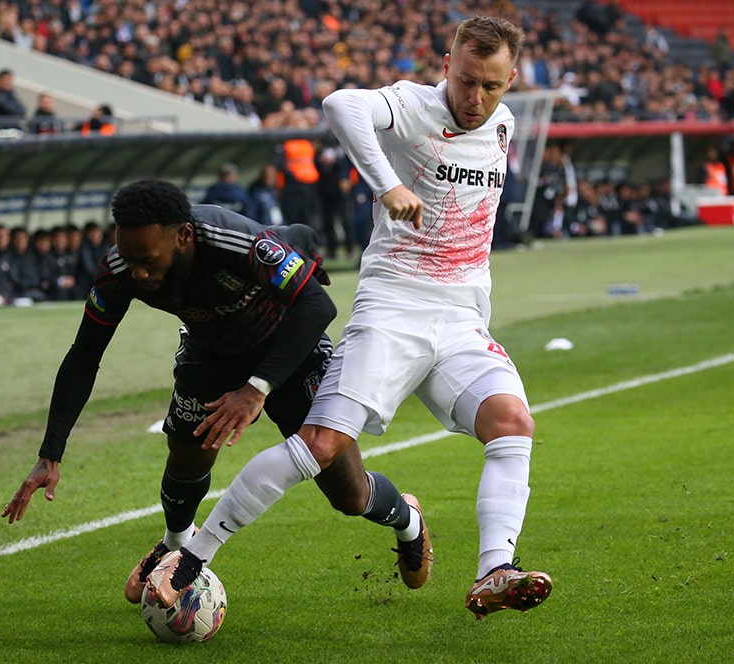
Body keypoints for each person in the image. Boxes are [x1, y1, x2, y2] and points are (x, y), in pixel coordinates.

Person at [147, 16, 552, 620]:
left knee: (513, 423)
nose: (475, 98)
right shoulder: (412, 105)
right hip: (393, 306)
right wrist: (387, 184)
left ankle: (495, 568)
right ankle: (195, 556)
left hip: (461, 317)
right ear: (446, 65)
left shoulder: (504, 123)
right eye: (466, 81)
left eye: (491, 86)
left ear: (510, 81)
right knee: (322, 446)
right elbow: (340, 106)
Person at [0, 178, 363, 610]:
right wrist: (50, 453)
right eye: (129, 259)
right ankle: (175, 545)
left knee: (349, 497)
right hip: (210, 353)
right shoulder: (122, 268)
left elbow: (319, 306)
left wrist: (255, 389)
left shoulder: (232, 241)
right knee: (187, 453)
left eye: (148, 261)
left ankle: (408, 521)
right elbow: (83, 356)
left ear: (184, 237)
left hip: (286, 347)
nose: (138, 273)